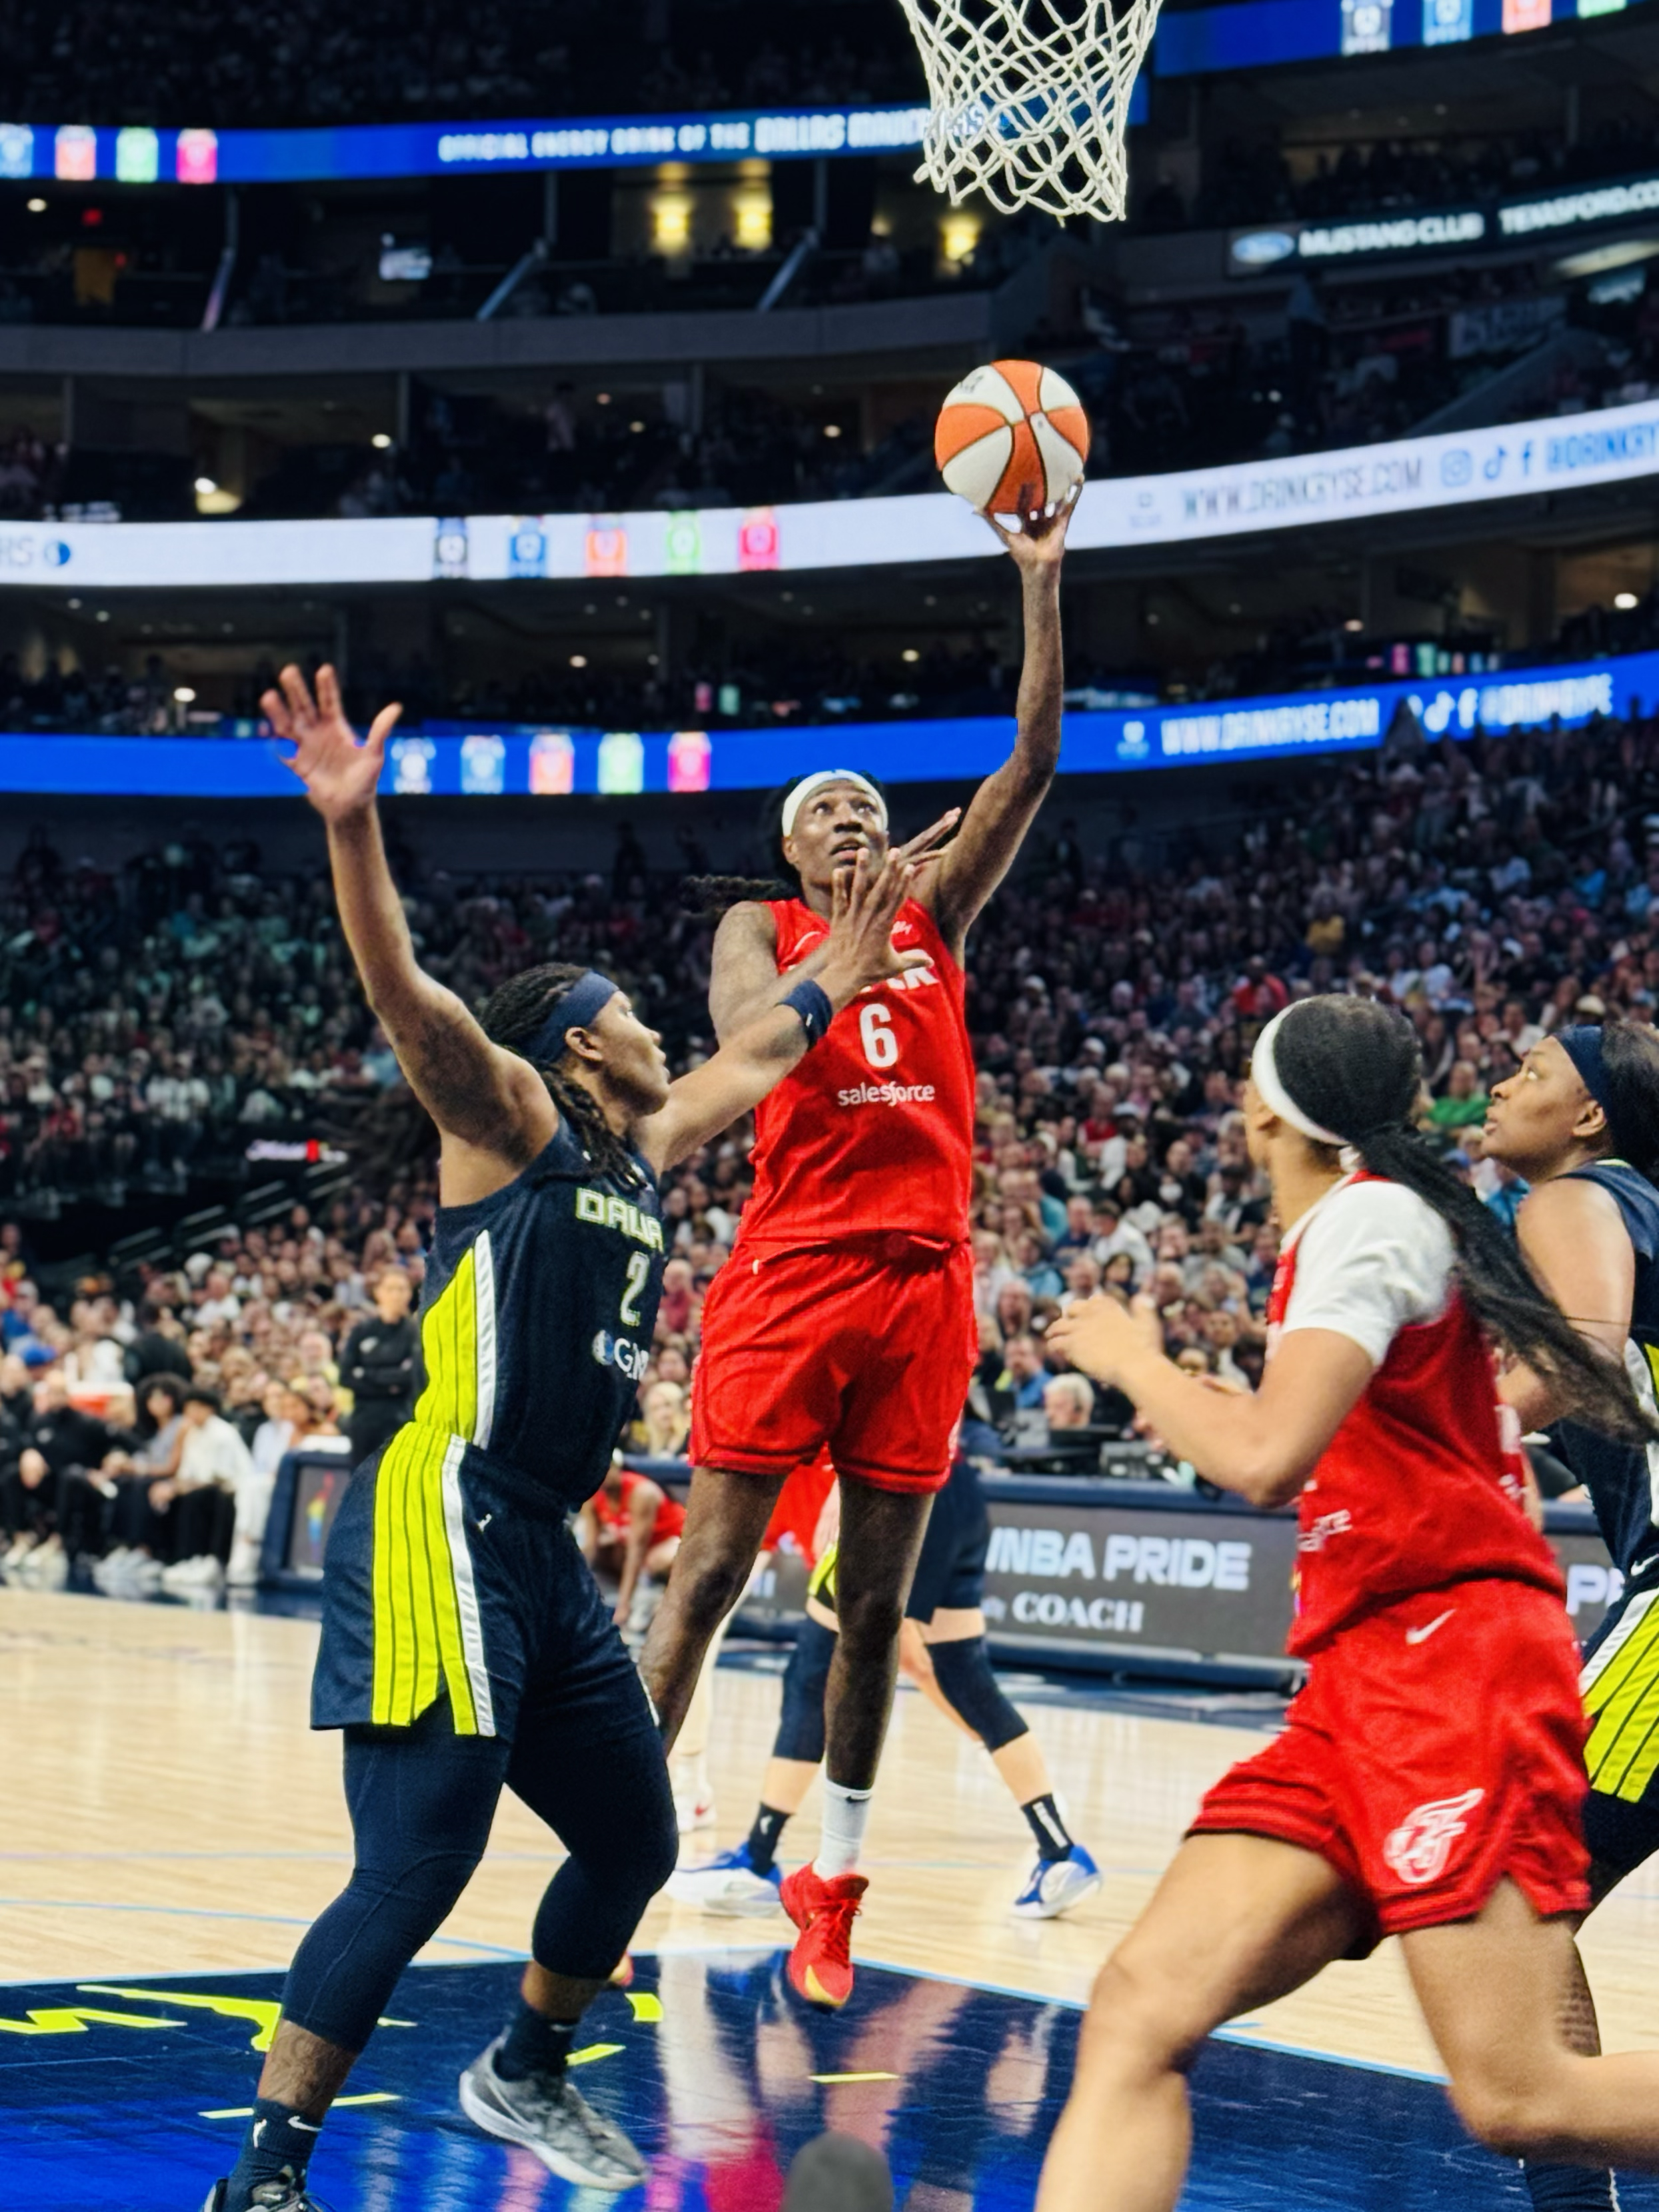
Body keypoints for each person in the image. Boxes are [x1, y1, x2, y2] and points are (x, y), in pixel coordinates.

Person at [197, 663, 946, 2212]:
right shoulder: (511, 1122)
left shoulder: (644, 1142)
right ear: (574, 1048)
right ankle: (267, 2174)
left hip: (536, 1538)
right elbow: (408, 996)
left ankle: (524, 2066)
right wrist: (350, 830)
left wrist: (850, 949)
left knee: (631, 1837)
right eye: (629, 1015)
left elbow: (764, 1053)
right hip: (438, 1510)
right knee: (419, 1862)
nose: (658, 1022)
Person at [1031, 995, 1659, 2212]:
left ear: (1266, 1109)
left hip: (1452, 1666)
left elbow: (1266, 1458)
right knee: (1139, 2005)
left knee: (1518, 2093)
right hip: (1359, 1683)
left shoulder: (1375, 1215)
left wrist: (1129, 1357)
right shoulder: (1364, 1228)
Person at [641, 501, 1070, 2012]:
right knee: (705, 1576)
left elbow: (1030, 761)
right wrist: (847, 942)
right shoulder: (759, 927)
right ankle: (621, 1856)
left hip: (923, 1281)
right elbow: (744, 1045)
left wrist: (1037, 581)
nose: (849, 817)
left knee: (874, 1611)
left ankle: (827, 1883)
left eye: (867, 805)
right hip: (793, 1268)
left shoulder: (938, 916)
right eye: (823, 806)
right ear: (788, 845)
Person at [1479, 1020, 1659, 2212]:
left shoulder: (1577, 1195)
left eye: (1530, 1070)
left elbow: (1585, 1352)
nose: (1500, 1083)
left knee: (1507, 1888)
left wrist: (1430, 1435)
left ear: (1588, 1114)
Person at [671, 1448, 1100, 1922]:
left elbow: (860, 1416)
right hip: (954, 1488)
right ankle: (1061, 1854)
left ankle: (757, 1860)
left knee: (811, 1676)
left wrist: (840, 1489)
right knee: (966, 1678)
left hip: (884, 1493)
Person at [577, 1456, 686, 1630]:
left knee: (655, 1560)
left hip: (672, 1544)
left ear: (617, 1468)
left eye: (607, 1468)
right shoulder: (592, 1498)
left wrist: (624, 1604)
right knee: (603, 1550)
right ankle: (610, 1595)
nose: (602, 1475)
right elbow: (590, 1547)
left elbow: (637, 1551)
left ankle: (654, 1596)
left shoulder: (642, 1493)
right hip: (640, 1550)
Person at [339, 1267, 419, 1461]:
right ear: (378, 1293)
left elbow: (413, 1377)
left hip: (401, 1419)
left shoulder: (415, 1333)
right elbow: (346, 1376)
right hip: (364, 1422)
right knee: (362, 1475)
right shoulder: (361, 1331)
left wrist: (366, 1374)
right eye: (390, 1289)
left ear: (410, 1294)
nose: (396, 1295)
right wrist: (392, 1382)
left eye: (402, 1289)